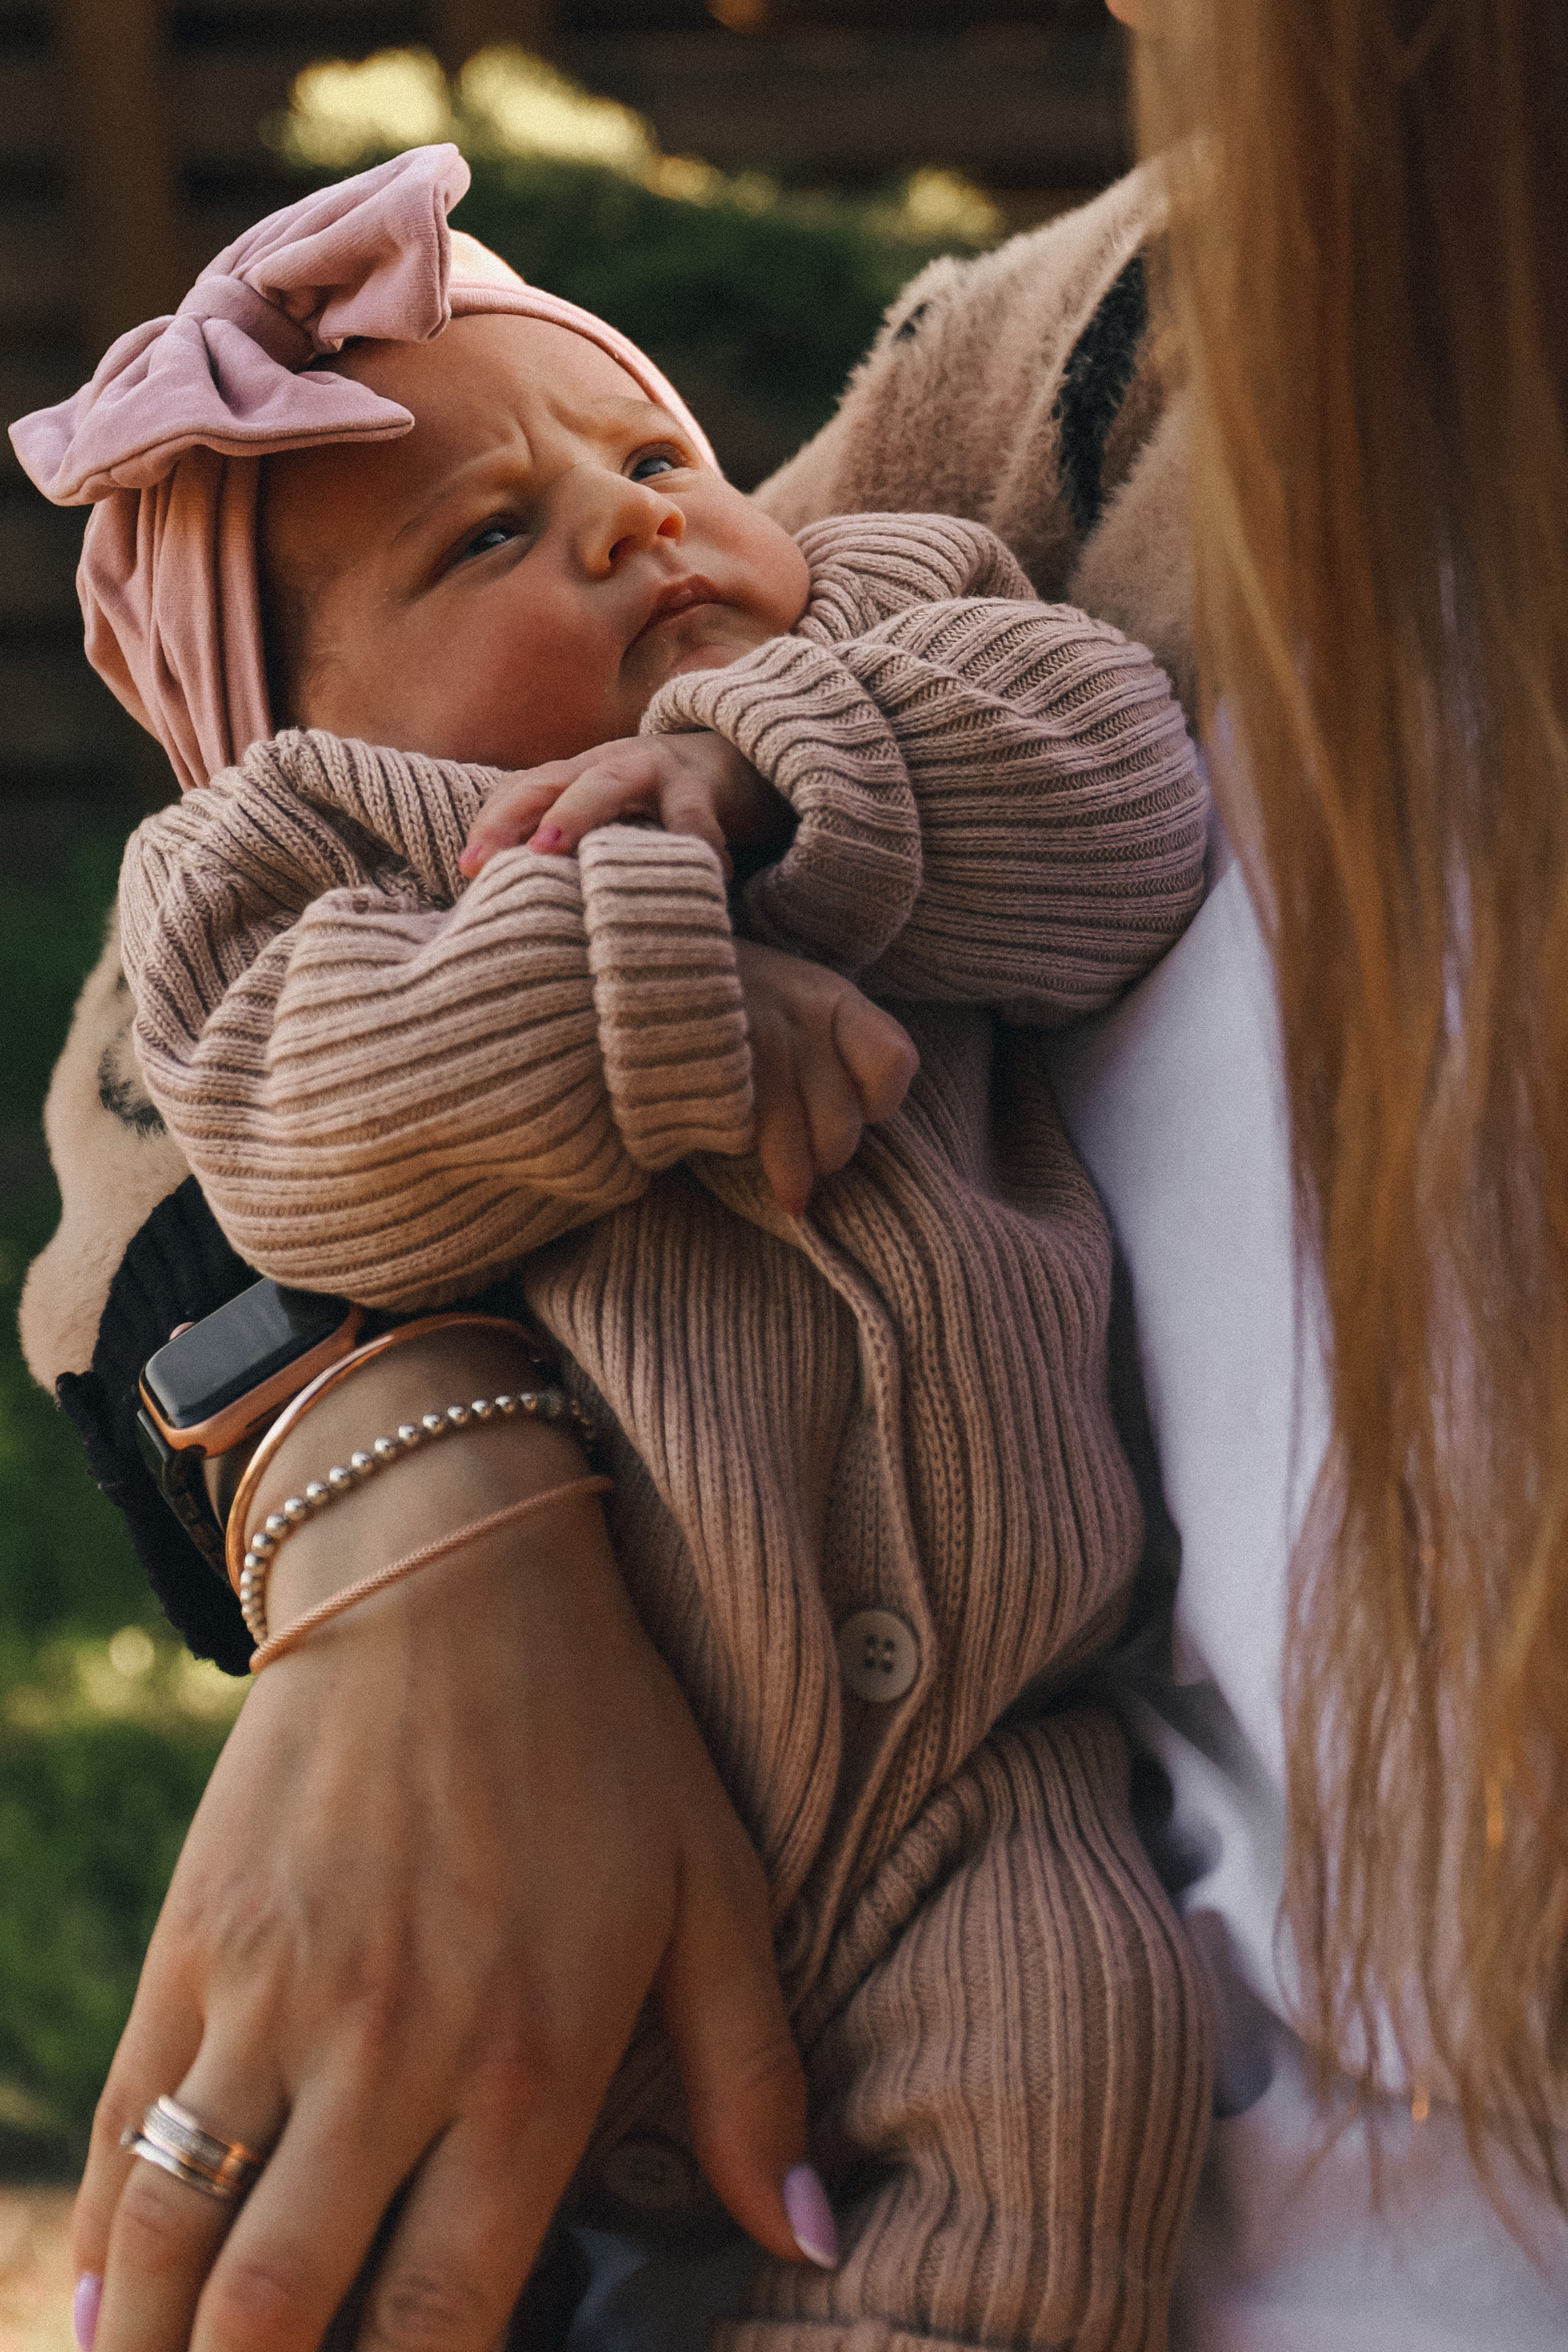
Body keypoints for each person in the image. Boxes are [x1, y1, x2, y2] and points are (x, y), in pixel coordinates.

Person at [13, 145, 1213, 2352]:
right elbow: (298, 1132)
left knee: (1075, 2078)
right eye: (490, 536)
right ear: (284, 720)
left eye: (657, 452)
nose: (637, 515)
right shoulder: (294, 859)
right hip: (525, 1838)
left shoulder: (890, 621)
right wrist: (656, 971)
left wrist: (779, 789)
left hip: (981, 1781)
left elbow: (1124, 800)